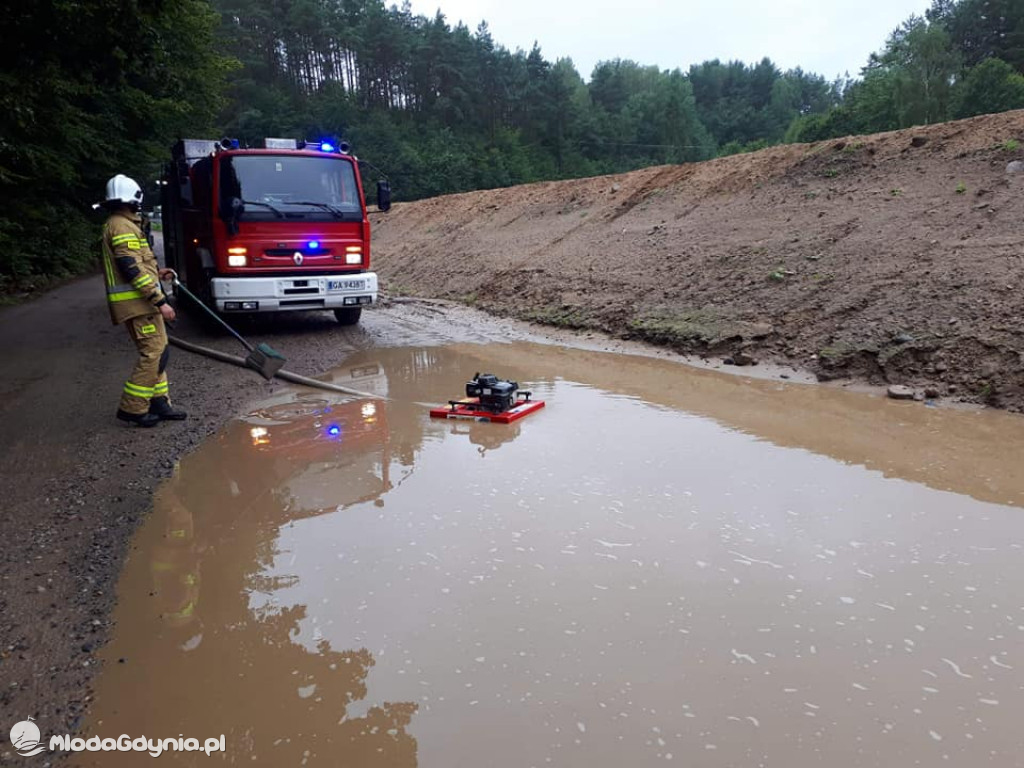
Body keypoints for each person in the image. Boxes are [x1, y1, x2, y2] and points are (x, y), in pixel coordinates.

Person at [100, 174, 187, 427]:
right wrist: (160, 301)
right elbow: (130, 269)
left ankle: (158, 402)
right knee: (153, 354)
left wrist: (158, 273)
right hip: (139, 304)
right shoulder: (122, 226)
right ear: (133, 198)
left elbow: (135, 264)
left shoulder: (121, 223)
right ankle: (133, 407)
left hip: (141, 302)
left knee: (160, 352)